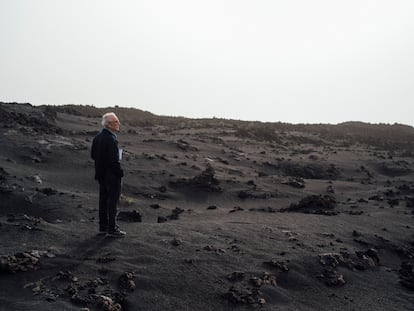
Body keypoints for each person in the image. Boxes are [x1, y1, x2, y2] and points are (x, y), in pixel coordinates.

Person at [91, 112, 126, 237]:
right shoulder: (110, 139)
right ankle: (112, 228)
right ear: (109, 125)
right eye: (116, 122)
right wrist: (119, 173)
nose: (118, 124)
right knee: (112, 202)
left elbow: (93, 155)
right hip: (111, 176)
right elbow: (113, 160)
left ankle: (103, 227)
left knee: (103, 201)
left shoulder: (98, 137)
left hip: (101, 174)